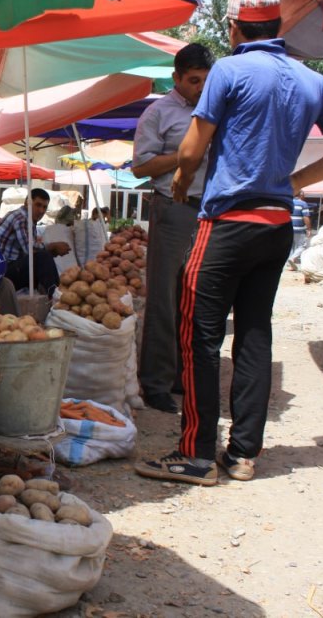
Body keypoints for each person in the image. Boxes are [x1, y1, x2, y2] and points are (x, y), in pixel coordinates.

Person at [135, 0, 323, 486]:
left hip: (226, 222)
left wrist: (180, 185)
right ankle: (243, 454)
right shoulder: (311, 80)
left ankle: (196, 453)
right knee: (254, 334)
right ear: (278, 25)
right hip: (277, 224)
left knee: (199, 335)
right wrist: (297, 182)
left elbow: (190, 152)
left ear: (234, 27)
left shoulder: (228, 70)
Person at [131, 43, 215, 414]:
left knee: (196, 299)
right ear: (177, 78)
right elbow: (140, 167)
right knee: (164, 300)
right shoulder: (158, 113)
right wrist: (184, 156)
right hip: (172, 208)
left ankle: (184, 376)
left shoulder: (216, 110)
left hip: (209, 210)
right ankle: (155, 383)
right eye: (193, 80)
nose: (199, 87)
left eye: (205, 81)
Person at [0, 188, 71, 297]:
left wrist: (51, 250)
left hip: (5, 268)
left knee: (44, 257)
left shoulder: (28, 219)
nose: (41, 211)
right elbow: (30, 250)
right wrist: (52, 246)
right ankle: (55, 295)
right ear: (27, 203)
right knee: (43, 256)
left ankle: (55, 291)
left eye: (44, 207)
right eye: (38, 205)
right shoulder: (21, 218)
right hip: (0, 272)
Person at [288, 193, 312, 269]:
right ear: (301, 195)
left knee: (291, 246)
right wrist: (309, 229)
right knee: (302, 246)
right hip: (299, 229)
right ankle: (293, 258)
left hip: (289, 228)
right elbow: (305, 217)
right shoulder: (303, 203)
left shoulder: (289, 202)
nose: (305, 196)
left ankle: (291, 265)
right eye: (304, 195)